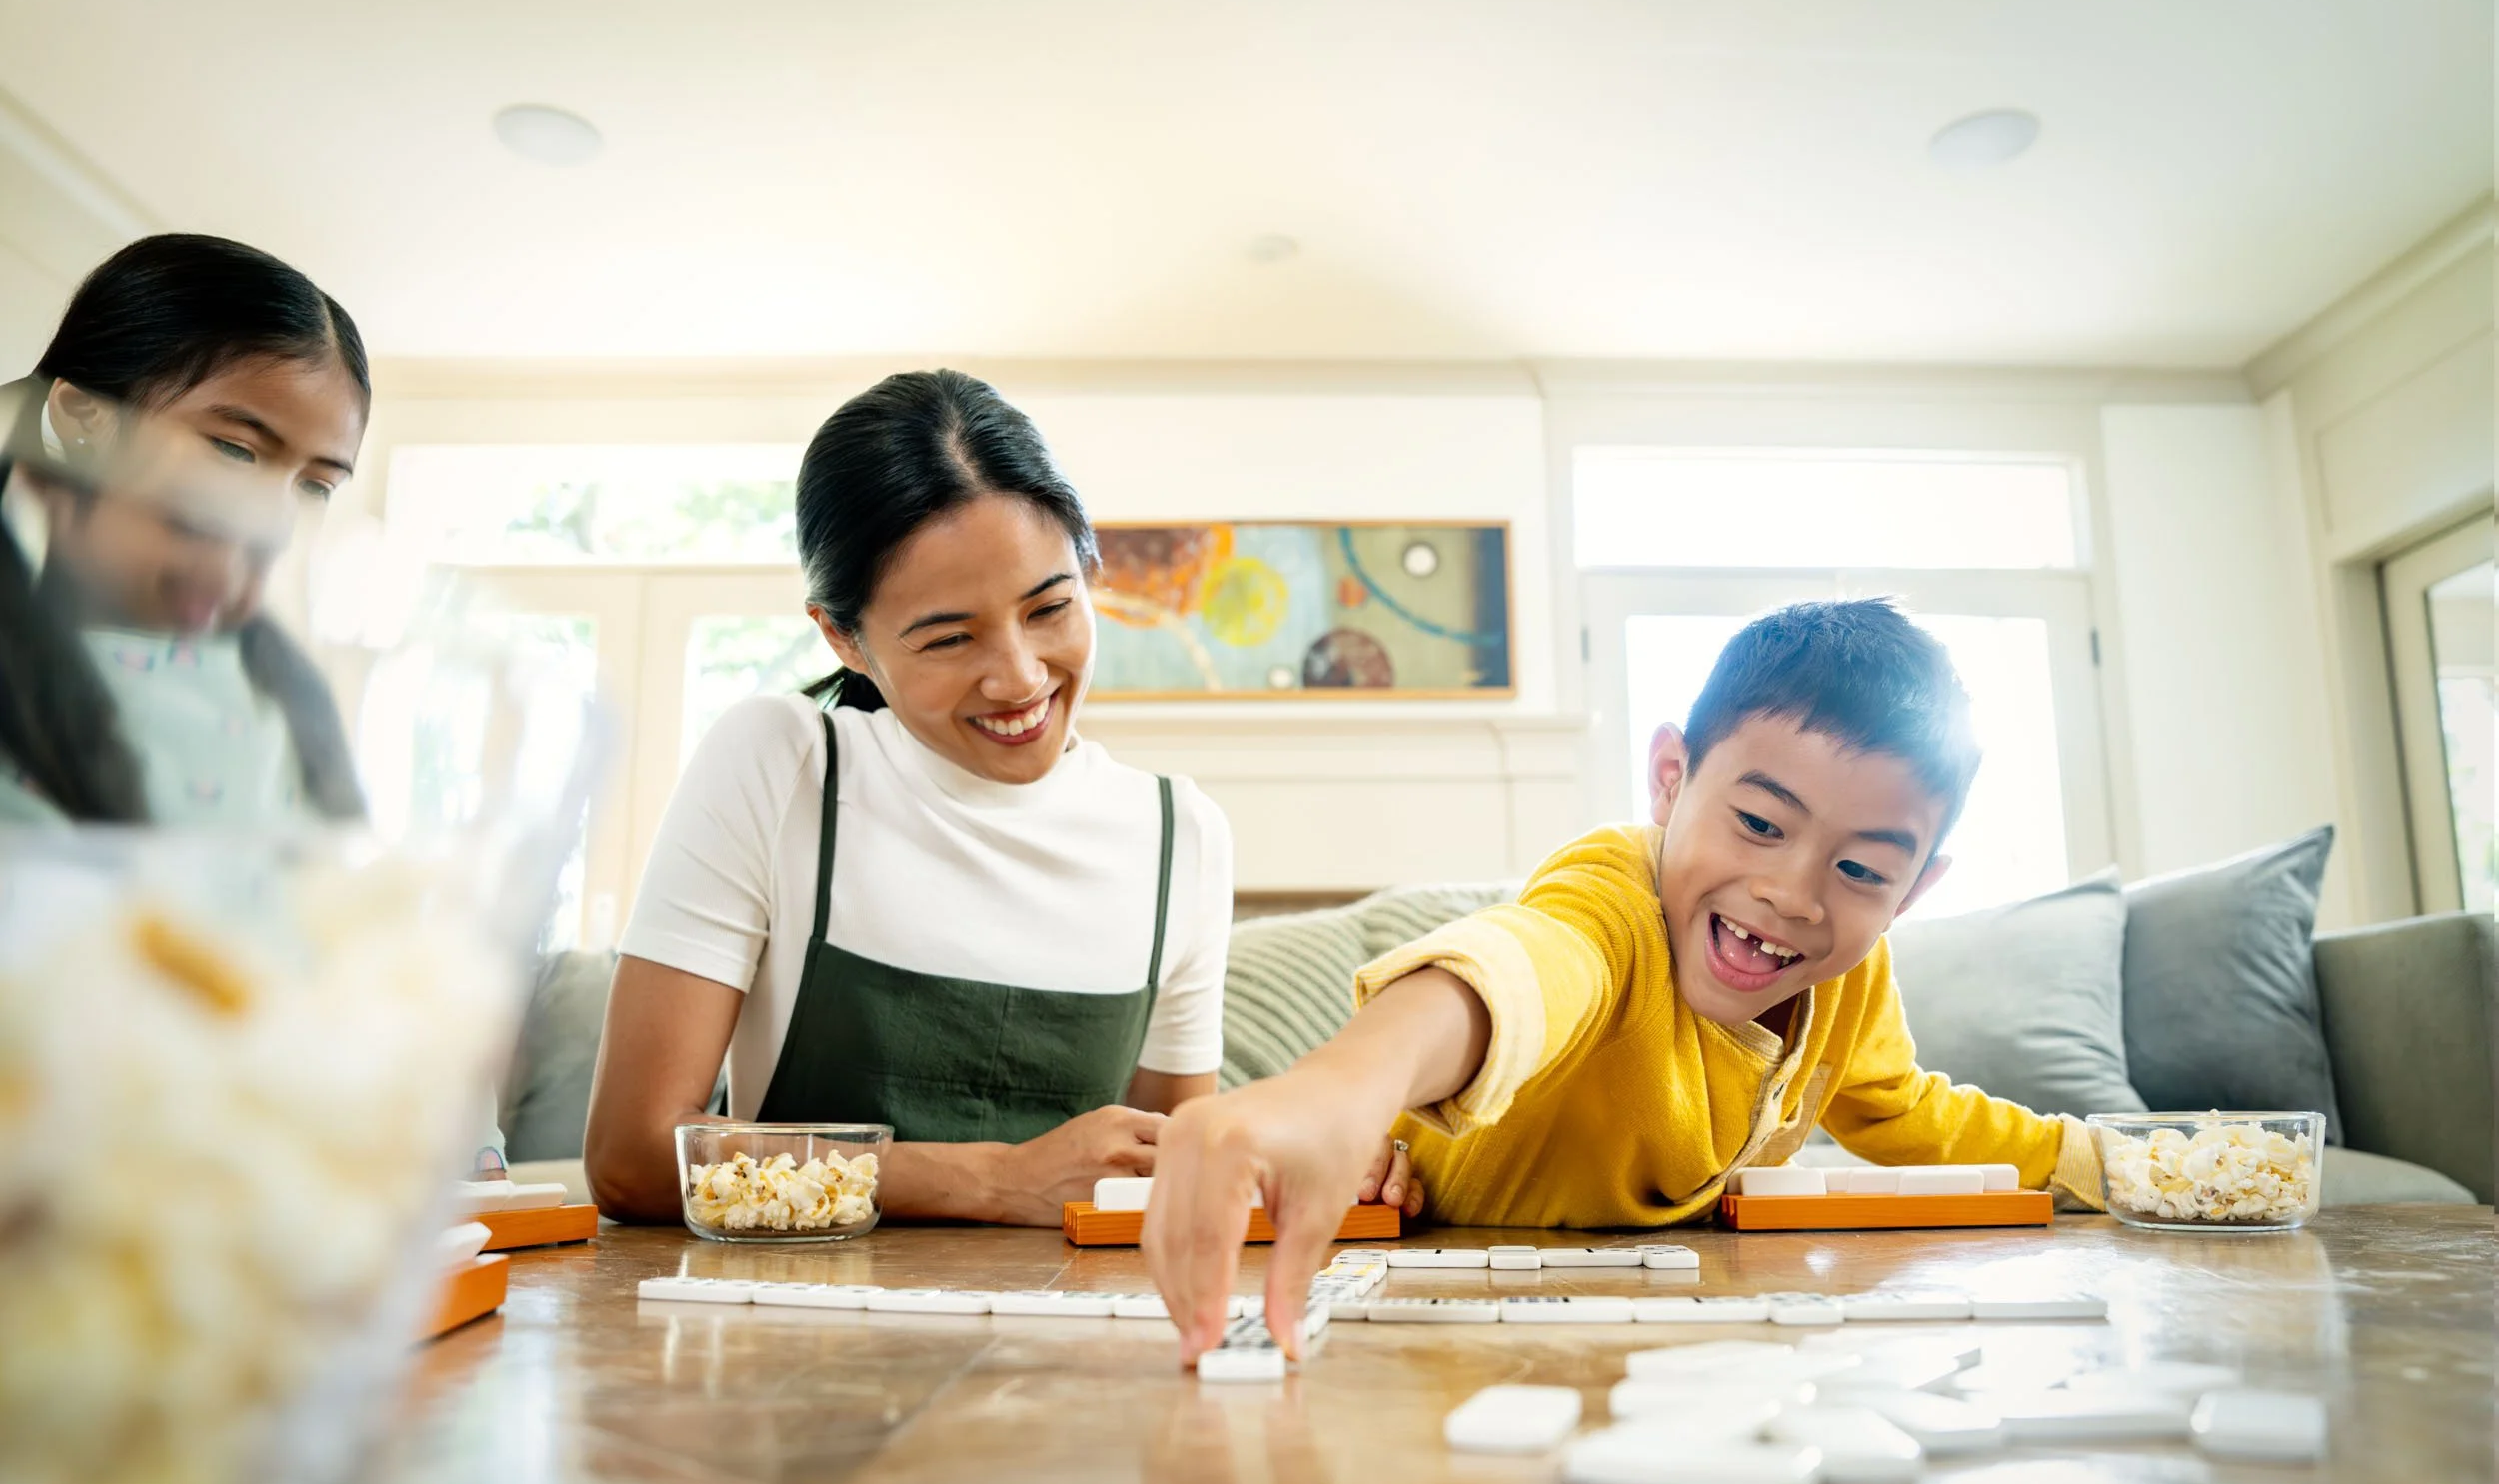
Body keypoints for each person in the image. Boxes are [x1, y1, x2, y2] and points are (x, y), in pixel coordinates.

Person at [1144, 599, 2109, 1362]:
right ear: (1670, 779)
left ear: (1916, 888)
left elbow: (1904, 1109)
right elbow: (1527, 965)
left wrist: (2090, 1161)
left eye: (1862, 870)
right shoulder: (1612, 895)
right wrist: (1345, 1087)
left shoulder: (1855, 981)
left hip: (1664, 1330)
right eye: (1761, 824)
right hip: (1445, 1318)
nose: (1793, 896)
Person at [584, 370, 1420, 1224]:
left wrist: (1312, 1149)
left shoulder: (1181, 836)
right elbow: (633, 1156)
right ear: (845, 638)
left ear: (1089, 572)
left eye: (1050, 607)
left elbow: (1166, 1173)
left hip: (1078, 1341)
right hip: (799, 1331)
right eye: (949, 636)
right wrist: (994, 1180)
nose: (1020, 677)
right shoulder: (782, 764)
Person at [0, 233, 369, 825]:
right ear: (81, 425)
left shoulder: (282, 699)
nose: (271, 521)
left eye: (315, 486)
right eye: (233, 448)